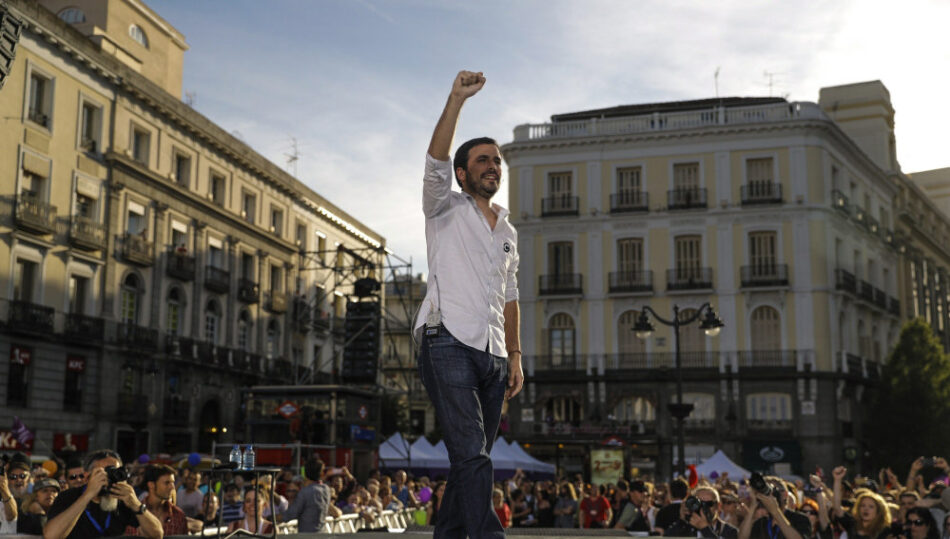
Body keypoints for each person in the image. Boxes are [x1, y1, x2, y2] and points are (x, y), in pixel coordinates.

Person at [415, 69, 523, 539]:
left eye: (497, 161)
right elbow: (435, 160)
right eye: (483, 160)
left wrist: (515, 355)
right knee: (472, 453)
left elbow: (511, 294)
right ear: (464, 173)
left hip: (495, 353)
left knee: (470, 458)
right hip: (446, 340)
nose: (493, 166)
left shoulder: (508, 230)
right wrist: (455, 100)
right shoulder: (444, 207)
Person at [43, 449, 163, 538]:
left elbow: (157, 534)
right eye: (105, 472)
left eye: (115, 471)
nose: (110, 477)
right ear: (86, 476)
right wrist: (87, 496)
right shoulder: (69, 497)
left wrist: (136, 504)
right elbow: (51, 536)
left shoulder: (122, 499)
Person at [126, 463, 187, 536]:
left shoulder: (179, 516)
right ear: (151, 485)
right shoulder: (134, 514)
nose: (172, 487)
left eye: (173, 482)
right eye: (167, 483)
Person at [664, 486, 739, 539]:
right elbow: (667, 536)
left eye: (708, 504)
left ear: (718, 506)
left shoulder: (729, 531)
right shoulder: (686, 527)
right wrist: (682, 521)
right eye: (699, 504)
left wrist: (705, 528)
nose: (703, 508)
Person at [280, 457, 331, 533]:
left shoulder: (305, 492)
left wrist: (271, 518)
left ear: (305, 473)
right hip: (322, 534)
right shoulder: (326, 489)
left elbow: (290, 515)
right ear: (321, 473)